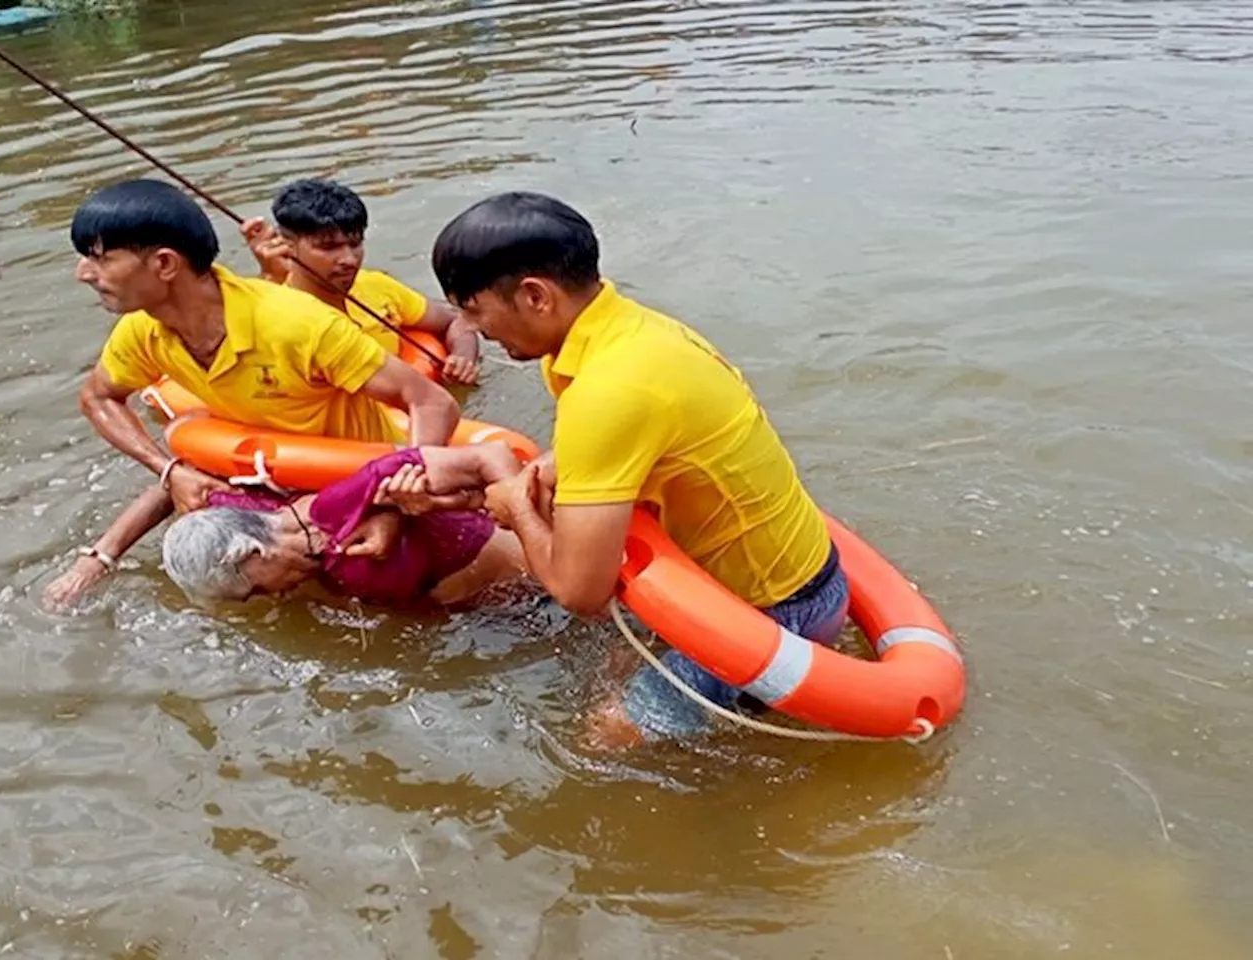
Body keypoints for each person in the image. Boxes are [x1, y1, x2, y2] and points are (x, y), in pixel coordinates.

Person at [427, 192, 850, 747]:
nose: (467, 326)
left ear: (534, 295)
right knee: (616, 669)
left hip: (776, 618)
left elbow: (582, 592)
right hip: (800, 578)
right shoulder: (636, 332)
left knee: (602, 741)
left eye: (472, 307)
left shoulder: (610, 390)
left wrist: (512, 507)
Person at [44, 178, 461, 607]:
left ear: (165, 265)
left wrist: (392, 506)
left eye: (99, 258)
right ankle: (95, 561)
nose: (83, 273)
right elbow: (97, 398)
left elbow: (433, 402)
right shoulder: (142, 332)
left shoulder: (297, 324)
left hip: (356, 488)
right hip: (260, 478)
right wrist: (167, 469)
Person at [161, 443, 530, 607]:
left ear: (255, 552)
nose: (272, 597)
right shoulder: (240, 510)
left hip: (516, 576)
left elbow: (491, 456)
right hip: (459, 613)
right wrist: (105, 554)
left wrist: (529, 525)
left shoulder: (342, 507)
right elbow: (183, 481)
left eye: (256, 589)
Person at [241, 179, 480, 384]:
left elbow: (458, 322)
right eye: (328, 247)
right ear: (288, 246)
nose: (348, 259)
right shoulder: (271, 307)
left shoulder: (377, 286)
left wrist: (463, 357)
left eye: (355, 244)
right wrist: (270, 276)